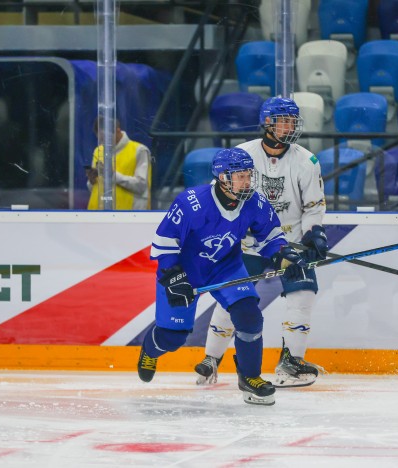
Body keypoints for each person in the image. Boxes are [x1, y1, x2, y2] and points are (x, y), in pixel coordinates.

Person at [139, 147, 312, 406]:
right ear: (222, 178)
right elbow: (164, 242)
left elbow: (272, 237)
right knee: (172, 338)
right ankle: (150, 350)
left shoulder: (254, 202)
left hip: (225, 267)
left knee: (249, 316)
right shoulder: (191, 202)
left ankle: (250, 378)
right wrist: (173, 276)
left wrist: (285, 257)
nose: (246, 181)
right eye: (240, 176)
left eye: (248, 175)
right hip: (185, 272)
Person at [194, 96, 328, 388]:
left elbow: (313, 207)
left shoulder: (307, 161)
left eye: (293, 121)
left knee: (302, 296)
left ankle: (291, 362)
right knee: (233, 299)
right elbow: (218, 198)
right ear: (267, 123)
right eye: (284, 120)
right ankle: (211, 360)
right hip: (246, 244)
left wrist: (313, 233)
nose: (290, 126)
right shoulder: (241, 154)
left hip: (288, 244)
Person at [86, 118, 151, 210]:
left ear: (118, 131)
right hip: (97, 216)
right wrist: (91, 181)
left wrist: (112, 176)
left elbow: (141, 186)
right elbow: (94, 189)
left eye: (105, 138)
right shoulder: (98, 151)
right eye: (100, 139)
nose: (103, 143)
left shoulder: (139, 151)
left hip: (128, 217)